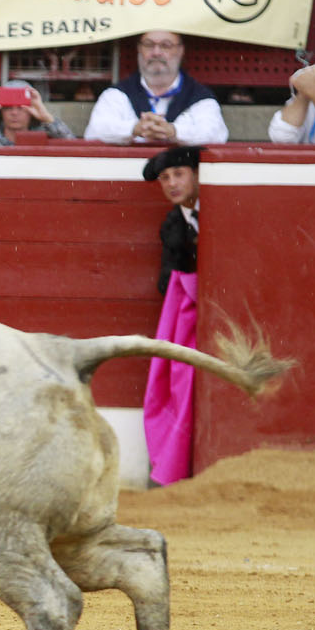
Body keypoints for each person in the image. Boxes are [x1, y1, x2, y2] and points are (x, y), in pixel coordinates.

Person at [140, 145, 204, 487]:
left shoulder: (218, 212)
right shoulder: (173, 224)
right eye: (165, 178)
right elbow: (169, 284)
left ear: (195, 175)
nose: (172, 184)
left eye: (178, 174)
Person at [83, 31, 228, 146]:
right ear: (139, 49)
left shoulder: (201, 97)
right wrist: (134, 129)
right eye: (149, 44)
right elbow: (94, 131)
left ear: (181, 50)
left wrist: (173, 131)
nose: (156, 52)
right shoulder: (116, 95)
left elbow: (216, 135)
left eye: (166, 45)